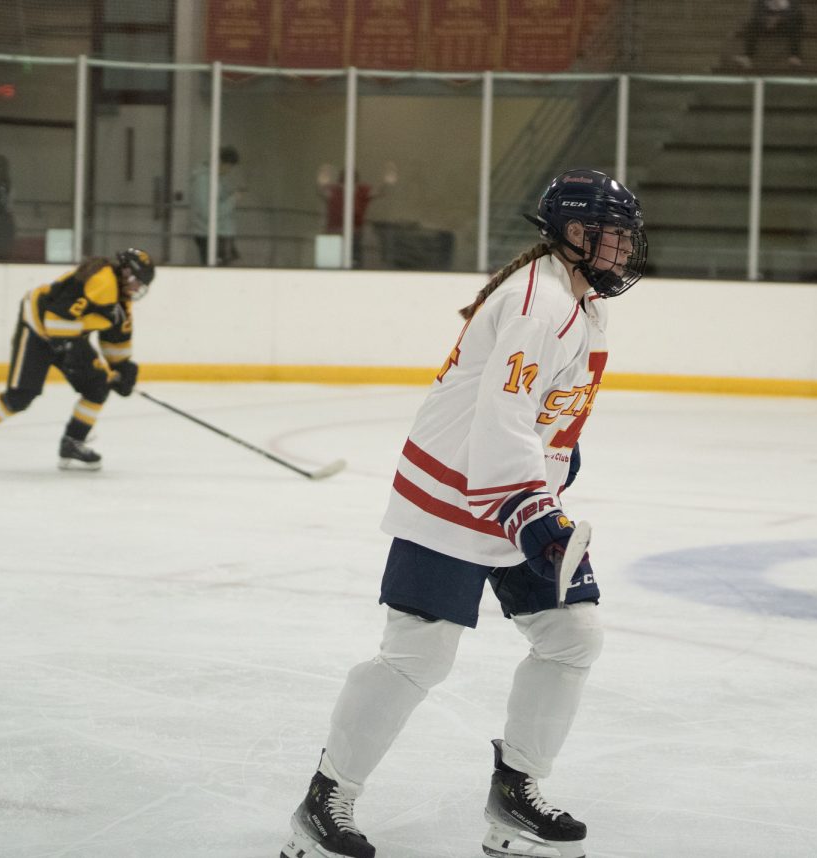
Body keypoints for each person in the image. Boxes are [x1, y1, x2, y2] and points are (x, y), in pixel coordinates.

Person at [278, 169, 647, 858]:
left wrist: (555, 471)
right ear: (572, 233)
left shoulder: (579, 299)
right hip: (452, 498)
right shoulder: (538, 303)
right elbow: (501, 417)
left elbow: (540, 414)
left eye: (626, 237)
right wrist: (534, 514)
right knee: (418, 657)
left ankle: (514, 795)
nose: (623, 250)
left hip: (512, 497)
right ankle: (325, 799)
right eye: (612, 236)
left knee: (572, 637)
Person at [0, 248, 156, 470]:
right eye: (138, 282)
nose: (138, 289)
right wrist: (70, 349)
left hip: (67, 333)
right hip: (38, 328)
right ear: (126, 273)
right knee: (21, 396)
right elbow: (55, 319)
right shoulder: (102, 282)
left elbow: (115, 341)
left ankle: (73, 442)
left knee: (97, 386)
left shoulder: (121, 304)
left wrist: (123, 369)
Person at [316, 161, 397, 267]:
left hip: (354, 235)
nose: (347, 188)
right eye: (344, 184)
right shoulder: (334, 191)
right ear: (340, 182)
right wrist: (322, 180)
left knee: (353, 267)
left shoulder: (362, 191)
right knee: (328, 267)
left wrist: (388, 182)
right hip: (333, 234)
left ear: (356, 183)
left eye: (352, 184)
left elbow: (380, 192)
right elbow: (322, 191)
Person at [189, 145, 241, 265]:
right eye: (228, 167)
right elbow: (208, 212)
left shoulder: (217, 178)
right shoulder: (203, 180)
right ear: (221, 162)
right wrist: (233, 199)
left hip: (219, 233)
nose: (228, 171)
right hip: (212, 234)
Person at [733, 0, 805, 69]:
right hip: (766, 22)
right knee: (751, 24)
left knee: (797, 22)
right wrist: (766, 20)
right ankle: (747, 57)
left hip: (785, 23)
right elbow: (756, 12)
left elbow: (796, 11)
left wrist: (779, 19)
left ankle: (794, 56)